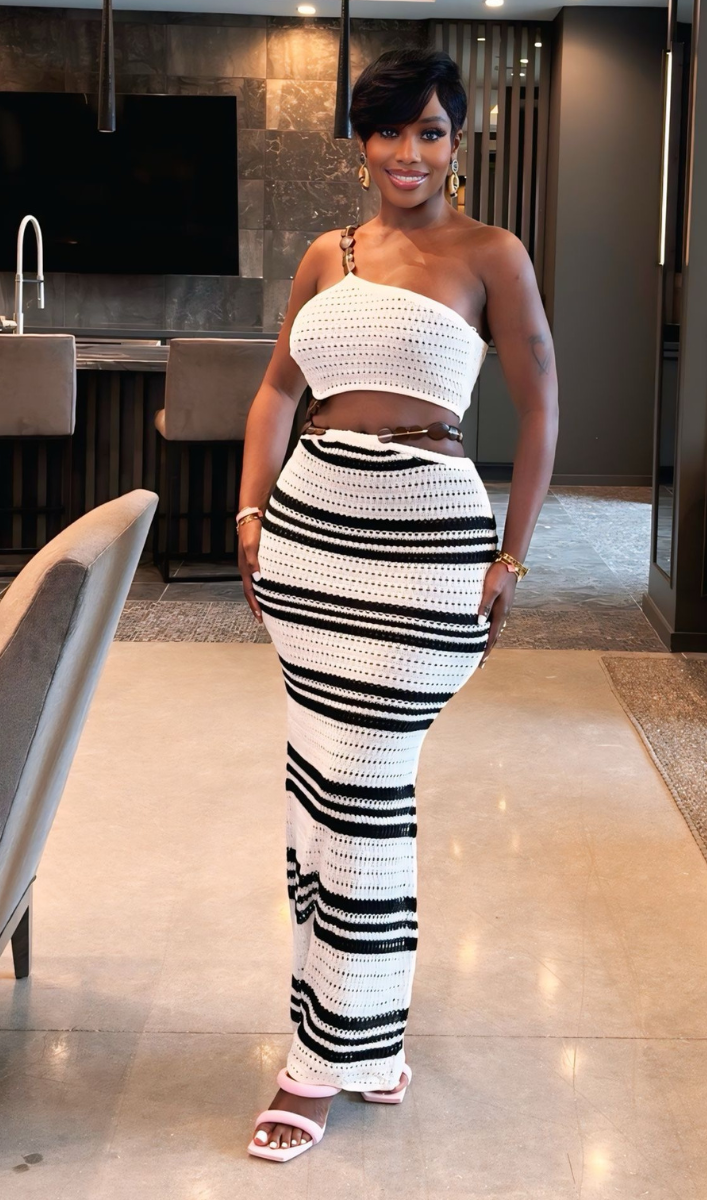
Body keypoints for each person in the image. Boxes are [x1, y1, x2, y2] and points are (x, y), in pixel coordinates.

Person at [236, 47, 559, 1163]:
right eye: (386, 131)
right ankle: (365, 1046)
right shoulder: (325, 256)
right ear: (361, 142)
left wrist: (512, 558)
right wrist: (250, 515)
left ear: (456, 141)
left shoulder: (490, 254)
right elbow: (277, 390)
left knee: (366, 794)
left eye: (429, 131)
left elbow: (541, 404)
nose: (406, 152)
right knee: (319, 784)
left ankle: (318, 1060)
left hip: (426, 540)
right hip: (312, 537)